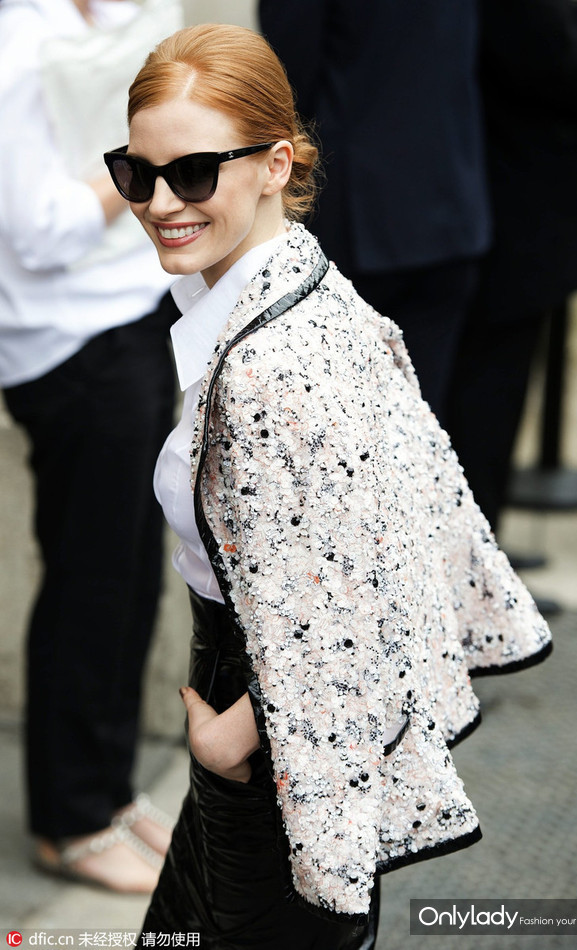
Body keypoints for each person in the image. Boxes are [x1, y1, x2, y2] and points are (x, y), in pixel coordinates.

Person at [104, 23, 552, 947]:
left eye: (193, 173)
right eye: (136, 173)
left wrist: (238, 738)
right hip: (268, 718)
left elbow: (348, 600)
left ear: (277, 164)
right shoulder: (296, 283)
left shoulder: (271, 365)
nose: (159, 203)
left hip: (274, 736)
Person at [0, 0, 180, 892]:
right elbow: (38, 230)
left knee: (133, 575)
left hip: (132, 314)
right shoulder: (17, 43)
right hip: (67, 343)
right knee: (91, 583)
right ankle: (70, 818)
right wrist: (149, 168)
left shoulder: (120, 9)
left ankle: (108, 794)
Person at [259, 0, 491, 425]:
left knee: (335, 425)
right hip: (446, 198)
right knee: (417, 423)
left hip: (353, 217)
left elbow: (283, 88)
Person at [445, 0, 577, 534]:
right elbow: (551, 57)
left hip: (510, 203)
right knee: (486, 400)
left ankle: (483, 545)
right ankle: (478, 553)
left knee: (491, 396)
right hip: (511, 208)